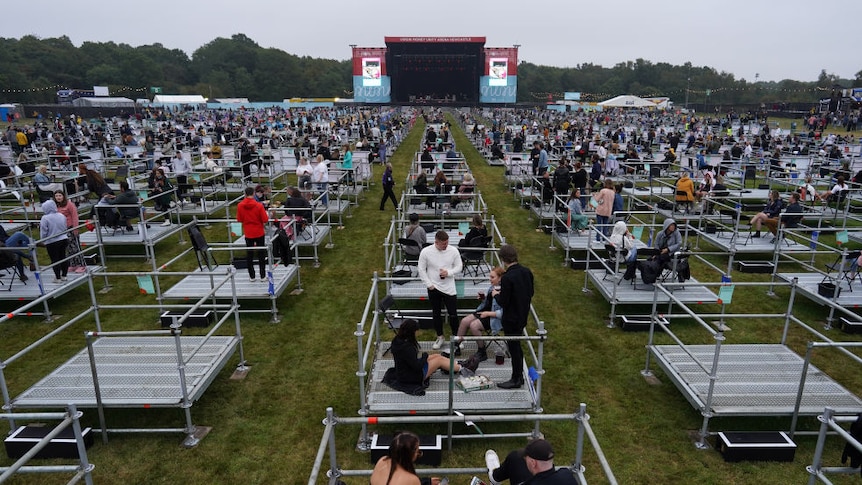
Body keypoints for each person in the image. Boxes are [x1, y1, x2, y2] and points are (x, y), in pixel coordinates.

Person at [495, 245, 534, 389]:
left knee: (514, 348)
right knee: (516, 346)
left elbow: (503, 301)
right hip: (522, 315)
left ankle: (516, 378)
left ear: (503, 259)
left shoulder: (507, 278)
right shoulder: (526, 272)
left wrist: (496, 295)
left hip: (511, 318)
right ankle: (518, 376)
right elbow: (531, 292)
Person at [418, 230, 463, 350]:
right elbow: (421, 269)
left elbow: (459, 266)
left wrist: (449, 272)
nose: (446, 246)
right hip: (433, 287)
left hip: (449, 288)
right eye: (443, 244)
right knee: (436, 314)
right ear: (436, 242)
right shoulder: (426, 252)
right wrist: (429, 284)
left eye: (447, 243)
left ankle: (456, 338)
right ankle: (440, 337)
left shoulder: (453, 250)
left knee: (453, 314)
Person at [455, 266, 504, 360]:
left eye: (492, 277)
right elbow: (489, 303)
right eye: (490, 277)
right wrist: (483, 298)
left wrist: (488, 314)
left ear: (500, 278)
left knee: (474, 325)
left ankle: (482, 351)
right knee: (465, 321)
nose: (490, 279)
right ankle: (456, 347)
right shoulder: (493, 287)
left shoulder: (505, 291)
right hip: (484, 312)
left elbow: (504, 313)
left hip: (494, 318)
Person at [369, 430, 444, 485]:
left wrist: (427, 482)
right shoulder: (411, 479)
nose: (418, 454)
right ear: (409, 454)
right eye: (418, 451)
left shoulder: (382, 461)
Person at [236, 186, 269, 282]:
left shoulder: (240, 205)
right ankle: (262, 276)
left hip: (248, 232)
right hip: (259, 231)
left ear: (245, 194)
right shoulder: (259, 205)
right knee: (261, 254)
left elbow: (239, 219)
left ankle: (252, 276)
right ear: (254, 194)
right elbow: (265, 219)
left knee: (249, 254)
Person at [53, 191, 86, 272]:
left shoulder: (69, 204)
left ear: (63, 196)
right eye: (56, 196)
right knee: (68, 247)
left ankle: (82, 265)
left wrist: (75, 229)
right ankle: (73, 264)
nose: (58, 197)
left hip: (71, 228)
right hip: (62, 230)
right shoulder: (55, 206)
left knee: (76, 247)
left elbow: (75, 216)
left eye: (60, 195)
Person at [39, 199, 69, 282]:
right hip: (63, 238)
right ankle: (64, 275)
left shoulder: (45, 218)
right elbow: (65, 226)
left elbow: (44, 230)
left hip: (52, 241)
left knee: (55, 259)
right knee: (63, 256)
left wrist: (43, 239)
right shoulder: (61, 215)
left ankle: (57, 277)